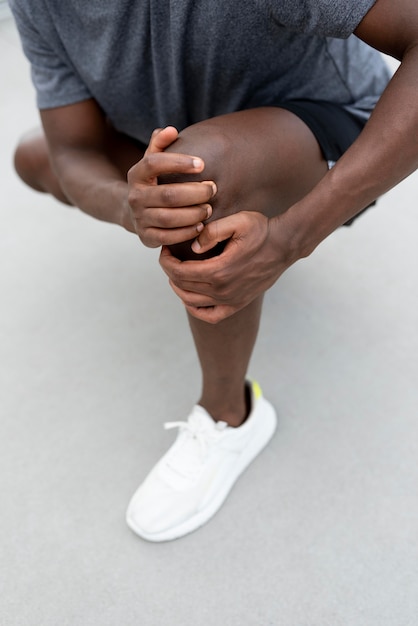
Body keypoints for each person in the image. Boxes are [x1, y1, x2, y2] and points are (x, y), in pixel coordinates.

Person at [9, 0, 418, 542]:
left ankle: (232, 417)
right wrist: (131, 208)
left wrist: (291, 238)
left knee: (194, 175)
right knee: (35, 158)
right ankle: (204, 210)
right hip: (176, 123)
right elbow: (73, 146)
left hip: (330, 126)